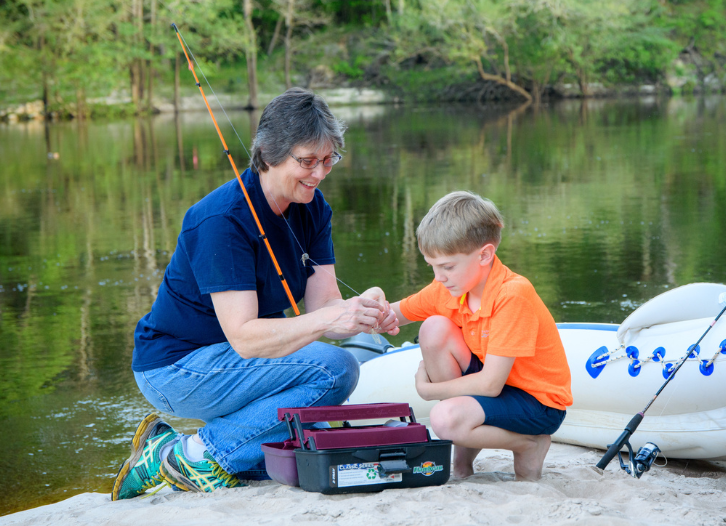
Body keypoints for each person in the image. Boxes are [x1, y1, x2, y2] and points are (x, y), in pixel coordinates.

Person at [111, 88, 397, 500]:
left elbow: (324, 309)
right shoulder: (220, 220)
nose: (319, 173)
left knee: (307, 443)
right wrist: (331, 321)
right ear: (267, 154)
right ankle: (189, 453)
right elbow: (244, 337)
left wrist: (360, 309)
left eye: (328, 159)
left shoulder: (313, 208)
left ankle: (184, 449)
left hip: (247, 362)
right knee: (336, 370)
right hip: (177, 367)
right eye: (307, 161)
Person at [368, 191, 572, 481]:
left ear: (485, 255)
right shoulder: (446, 288)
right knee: (433, 328)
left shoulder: (512, 294)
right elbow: (392, 315)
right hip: (496, 385)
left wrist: (428, 392)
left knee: (443, 419)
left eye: (447, 266)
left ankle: (530, 444)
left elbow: (490, 384)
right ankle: (462, 465)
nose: (439, 277)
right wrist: (371, 305)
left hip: (537, 402)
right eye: (432, 266)